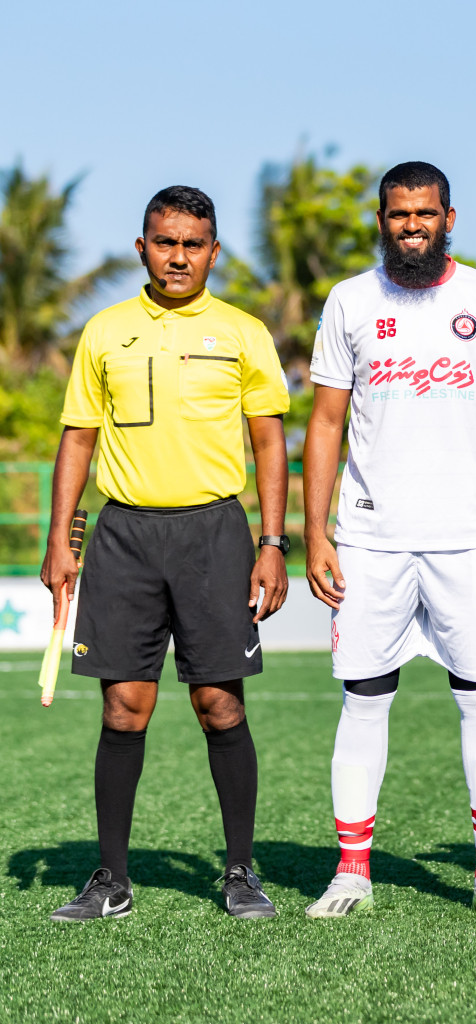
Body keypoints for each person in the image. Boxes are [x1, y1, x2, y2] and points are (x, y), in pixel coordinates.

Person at [43, 186, 290, 921]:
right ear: (140, 246)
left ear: (214, 252)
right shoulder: (104, 331)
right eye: (164, 241)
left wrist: (272, 543)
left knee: (218, 702)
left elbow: (271, 439)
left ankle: (241, 870)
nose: (177, 255)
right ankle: (111, 879)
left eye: (192, 243)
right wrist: (60, 537)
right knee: (124, 707)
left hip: (214, 533)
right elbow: (78, 437)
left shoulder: (244, 333)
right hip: (123, 536)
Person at [302, 161, 476, 919]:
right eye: (398, 215)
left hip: (469, 539)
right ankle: (351, 871)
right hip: (369, 539)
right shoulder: (350, 302)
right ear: (381, 220)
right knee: (364, 701)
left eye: (424, 214)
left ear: (448, 219)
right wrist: (315, 531)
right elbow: (326, 422)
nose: (411, 226)